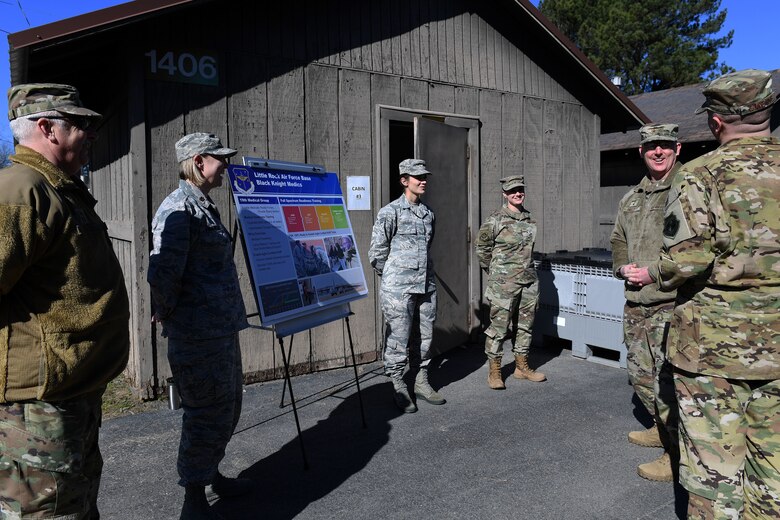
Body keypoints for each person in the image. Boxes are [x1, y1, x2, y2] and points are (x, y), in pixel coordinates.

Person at [627, 69, 780, 518]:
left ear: (715, 123)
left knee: (715, 469)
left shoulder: (701, 175)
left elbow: (687, 260)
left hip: (715, 349)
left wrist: (652, 272)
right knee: (772, 467)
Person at [0, 83, 130, 518]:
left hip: (70, 399)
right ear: (46, 128)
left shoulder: (59, 189)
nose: (90, 135)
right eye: (80, 125)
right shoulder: (20, 190)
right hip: (38, 410)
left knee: (73, 507)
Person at [148, 132, 252, 519]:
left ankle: (212, 473)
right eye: (219, 159)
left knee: (227, 407)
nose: (225, 165)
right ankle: (193, 496)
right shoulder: (178, 209)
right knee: (204, 412)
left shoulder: (204, 206)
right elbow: (161, 272)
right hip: (197, 334)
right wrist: (170, 312)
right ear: (198, 162)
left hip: (219, 329)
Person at [610, 124, 682, 482]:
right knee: (640, 374)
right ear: (641, 151)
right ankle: (660, 428)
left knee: (669, 380)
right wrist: (622, 266)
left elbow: (695, 249)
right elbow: (618, 240)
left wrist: (653, 272)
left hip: (673, 302)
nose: (658, 152)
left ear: (677, 149)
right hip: (636, 301)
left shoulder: (687, 189)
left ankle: (676, 453)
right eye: (651, 146)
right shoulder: (632, 197)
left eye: (664, 146)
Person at [368, 158, 445, 413]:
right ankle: (398, 383)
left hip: (425, 284)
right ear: (404, 181)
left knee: (424, 335)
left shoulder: (428, 213)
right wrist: (394, 277)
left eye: (425, 177)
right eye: (418, 177)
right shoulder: (390, 212)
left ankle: (421, 380)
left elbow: (428, 245)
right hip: (399, 288)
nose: (423, 181)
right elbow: (377, 253)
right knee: (398, 337)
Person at [475, 175, 545, 390]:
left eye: (520, 190)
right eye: (512, 190)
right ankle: (494, 370)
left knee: (525, 326)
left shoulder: (529, 219)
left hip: (528, 281)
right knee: (498, 328)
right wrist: (496, 273)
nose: (517, 193)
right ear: (504, 194)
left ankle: (521, 366)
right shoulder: (495, 220)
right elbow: (482, 249)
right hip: (503, 284)